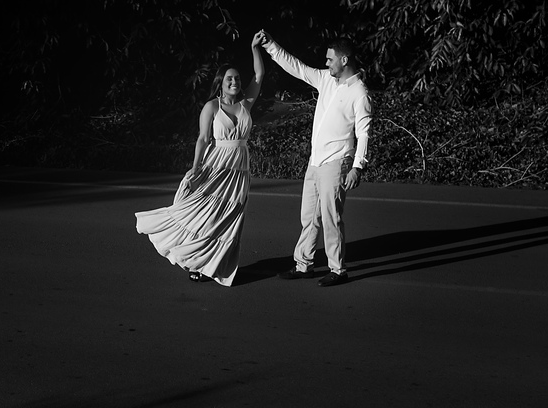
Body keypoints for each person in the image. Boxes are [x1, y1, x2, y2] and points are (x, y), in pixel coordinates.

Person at [135, 34, 265, 286]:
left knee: (230, 216)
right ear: (221, 83)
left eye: (237, 78)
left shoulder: (246, 104)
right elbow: (203, 139)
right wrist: (195, 168)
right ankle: (194, 261)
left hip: (239, 170)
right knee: (206, 214)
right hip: (215, 166)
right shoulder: (212, 107)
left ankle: (214, 263)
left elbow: (259, 76)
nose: (235, 82)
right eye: (230, 79)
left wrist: (254, 48)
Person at [258, 30, 372, 286]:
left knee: (331, 217)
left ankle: (338, 270)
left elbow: (363, 133)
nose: (326, 63)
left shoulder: (360, 93)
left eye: (330, 59)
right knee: (309, 216)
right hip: (316, 160)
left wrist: (357, 167)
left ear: (344, 60)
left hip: (337, 162)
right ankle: (304, 264)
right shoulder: (325, 79)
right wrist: (269, 44)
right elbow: (296, 67)